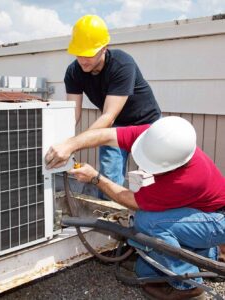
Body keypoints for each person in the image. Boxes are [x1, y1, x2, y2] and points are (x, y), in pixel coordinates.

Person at [45, 116, 225, 300]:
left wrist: (95, 178)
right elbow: (106, 135)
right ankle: (210, 256)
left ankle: (188, 286)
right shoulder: (157, 137)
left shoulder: (187, 180)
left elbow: (133, 201)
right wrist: (70, 145)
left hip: (217, 219)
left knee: (148, 222)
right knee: (144, 270)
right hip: (199, 212)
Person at [65, 14, 161, 199]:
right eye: (79, 53)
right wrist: (63, 141)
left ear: (104, 48)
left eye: (90, 53)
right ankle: (109, 222)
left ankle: (149, 221)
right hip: (116, 127)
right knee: (108, 178)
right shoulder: (73, 72)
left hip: (147, 125)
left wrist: (74, 144)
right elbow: (73, 114)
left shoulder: (122, 64)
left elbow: (108, 115)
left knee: (152, 179)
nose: (83, 59)